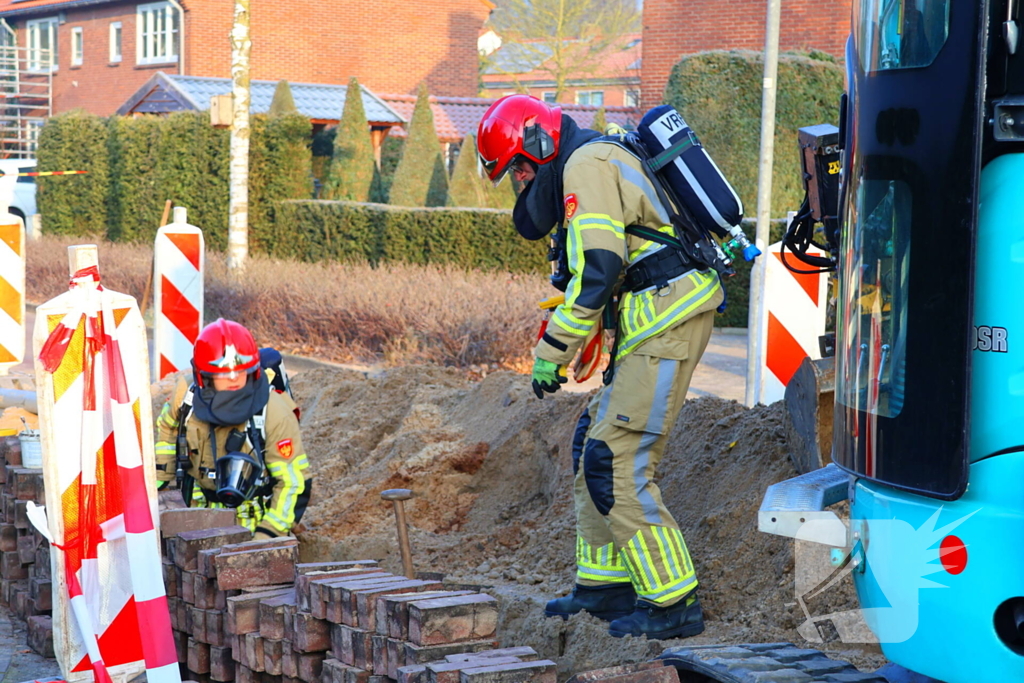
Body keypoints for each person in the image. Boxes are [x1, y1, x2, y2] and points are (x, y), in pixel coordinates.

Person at [477, 95, 724, 639]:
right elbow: (601, 274)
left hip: (669, 315)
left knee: (616, 459)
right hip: (655, 314)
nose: (520, 181)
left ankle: (673, 602)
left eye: (519, 166)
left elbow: (598, 269)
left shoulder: (585, 166)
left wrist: (551, 353)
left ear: (541, 144)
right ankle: (604, 588)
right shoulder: (587, 160)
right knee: (591, 439)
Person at [155, 318, 312, 540]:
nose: (232, 379)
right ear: (205, 376)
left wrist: (266, 537)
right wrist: (161, 478)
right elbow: (168, 428)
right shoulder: (186, 396)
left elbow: (293, 483)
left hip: (255, 520)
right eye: (223, 374)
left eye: (239, 372)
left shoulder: (274, 411)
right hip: (196, 515)